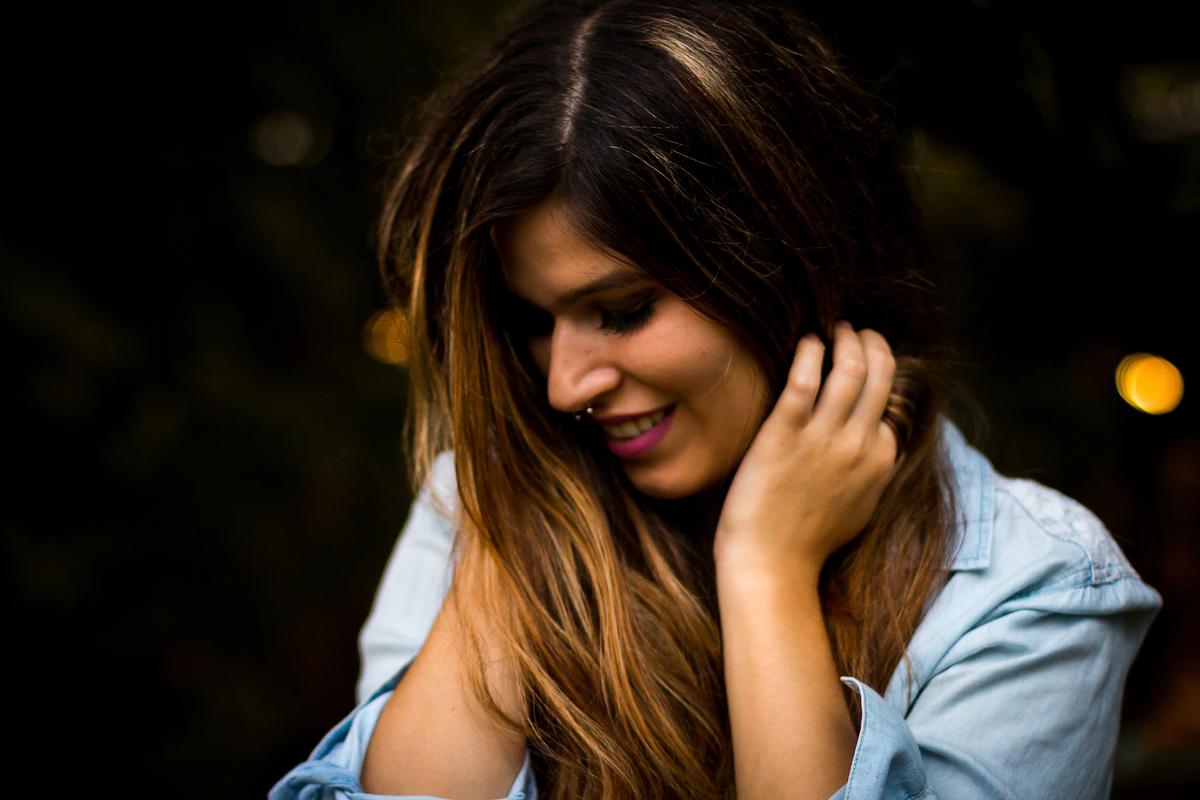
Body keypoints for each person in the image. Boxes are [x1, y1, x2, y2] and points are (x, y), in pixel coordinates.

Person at [272, 1, 1161, 798]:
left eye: (623, 310)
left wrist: (766, 569)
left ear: (788, 260)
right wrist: (525, 518)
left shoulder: (1033, 589)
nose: (563, 385)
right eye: (534, 321)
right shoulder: (470, 508)